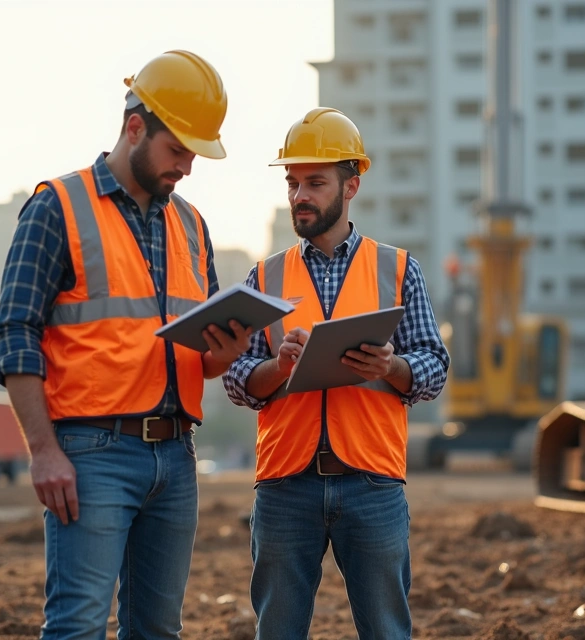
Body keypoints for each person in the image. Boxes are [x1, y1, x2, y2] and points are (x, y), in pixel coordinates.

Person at [0, 50, 253, 639]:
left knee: (159, 631)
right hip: (90, 453)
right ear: (136, 126)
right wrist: (43, 450)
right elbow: (15, 333)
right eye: (177, 150)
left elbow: (202, 358)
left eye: (193, 154)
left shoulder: (191, 225)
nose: (186, 166)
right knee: (79, 627)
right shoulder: (56, 207)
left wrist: (228, 350)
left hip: (176, 456)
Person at [223, 108, 450, 639]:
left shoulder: (397, 269)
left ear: (351, 185)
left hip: (371, 481)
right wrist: (276, 370)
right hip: (285, 486)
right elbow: (237, 378)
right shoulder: (266, 275)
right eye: (293, 182)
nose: (300, 195)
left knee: (387, 632)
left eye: (315, 183)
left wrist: (392, 366)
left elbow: (434, 367)